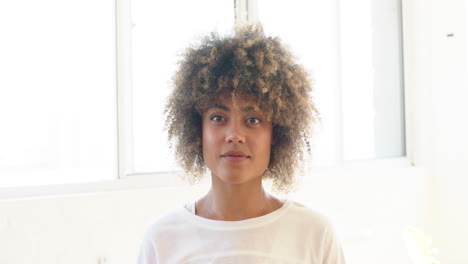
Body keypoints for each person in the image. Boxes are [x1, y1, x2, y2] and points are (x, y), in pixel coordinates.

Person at [137, 24, 346, 263]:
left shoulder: (314, 234)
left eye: (253, 119)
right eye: (218, 118)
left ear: (276, 132)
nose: (234, 135)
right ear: (198, 129)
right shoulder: (162, 239)